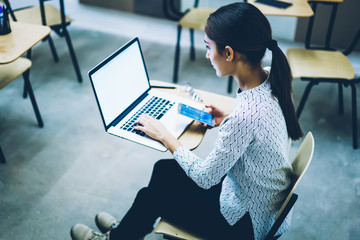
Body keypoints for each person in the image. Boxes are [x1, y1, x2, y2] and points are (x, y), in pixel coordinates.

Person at [70, 2, 303, 240]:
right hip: (256, 199)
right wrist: (226, 120)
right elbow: (258, 128)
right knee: (163, 169)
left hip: (244, 224)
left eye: (208, 47)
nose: (207, 55)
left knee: (150, 197)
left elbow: (206, 178)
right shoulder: (270, 75)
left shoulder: (246, 117)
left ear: (230, 53)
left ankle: (120, 236)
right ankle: (131, 228)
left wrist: (165, 135)